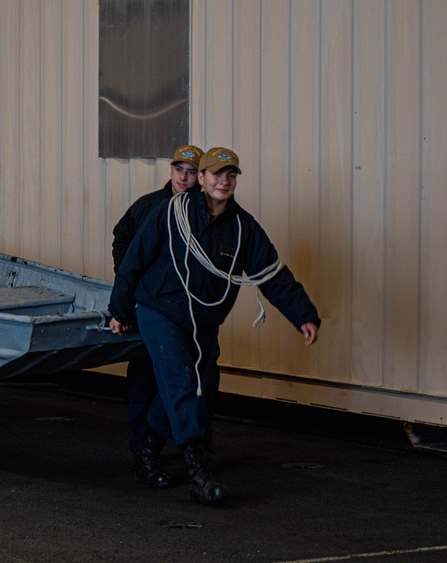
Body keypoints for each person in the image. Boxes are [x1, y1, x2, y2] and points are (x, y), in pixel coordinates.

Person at [108, 147, 320, 506]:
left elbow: (272, 274)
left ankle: (147, 451)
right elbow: (135, 257)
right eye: (216, 175)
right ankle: (198, 473)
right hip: (160, 309)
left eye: (231, 175)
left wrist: (304, 315)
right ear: (202, 180)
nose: (224, 181)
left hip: (202, 319)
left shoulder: (242, 228)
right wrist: (119, 309)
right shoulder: (171, 212)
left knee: (202, 384)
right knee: (180, 382)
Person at [110, 144, 202, 489]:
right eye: (180, 169)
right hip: (151, 309)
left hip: (189, 313)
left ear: (201, 176)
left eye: (191, 171)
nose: (184, 177)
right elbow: (123, 243)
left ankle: (182, 446)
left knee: (190, 380)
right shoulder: (150, 207)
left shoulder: (206, 212)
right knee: (146, 381)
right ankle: (143, 453)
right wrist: (129, 292)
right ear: (171, 169)